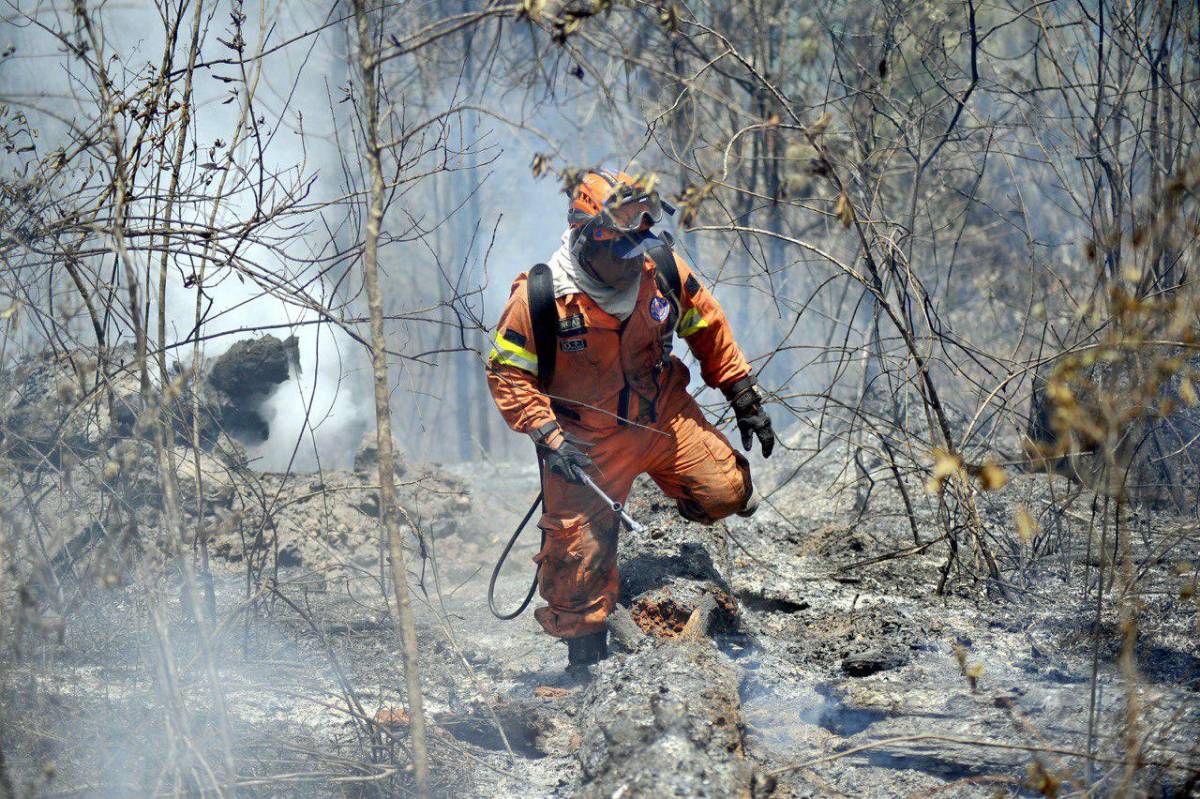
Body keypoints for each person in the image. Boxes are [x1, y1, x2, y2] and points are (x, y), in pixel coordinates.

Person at [485, 169, 774, 678]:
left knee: (727, 491)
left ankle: (661, 538)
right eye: (624, 248)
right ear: (590, 239)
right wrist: (551, 439)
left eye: (640, 243)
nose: (635, 259)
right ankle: (585, 659)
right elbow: (507, 373)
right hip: (584, 441)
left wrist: (740, 390)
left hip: (661, 412)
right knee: (574, 563)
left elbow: (706, 323)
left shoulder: (658, 270)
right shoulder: (542, 297)